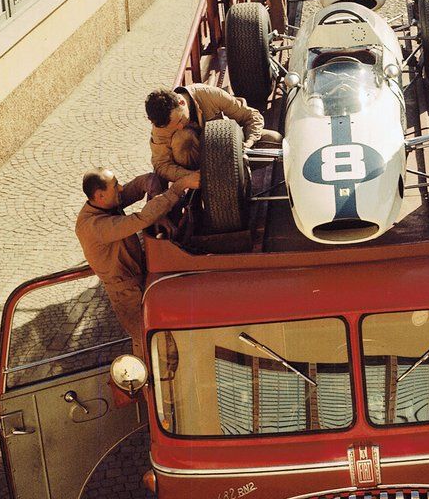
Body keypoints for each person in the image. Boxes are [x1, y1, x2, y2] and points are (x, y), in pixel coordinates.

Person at [75, 168, 198, 357]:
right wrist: (179, 187)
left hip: (140, 282)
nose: (121, 188)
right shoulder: (94, 227)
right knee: (154, 347)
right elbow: (141, 219)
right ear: (99, 196)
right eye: (115, 186)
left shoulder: (105, 203)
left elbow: (146, 181)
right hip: (128, 296)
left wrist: (160, 209)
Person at [145, 85, 281, 186]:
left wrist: (249, 142)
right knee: (183, 137)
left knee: (274, 141)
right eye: (173, 127)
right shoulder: (160, 126)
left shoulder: (210, 95)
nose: (179, 127)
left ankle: (239, 173)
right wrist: (190, 177)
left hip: (229, 152)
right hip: (197, 171)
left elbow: (251, 116)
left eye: (180, 120)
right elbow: (161, 165)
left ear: (181, 102)